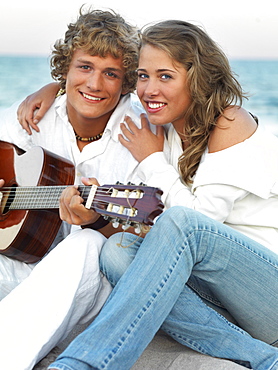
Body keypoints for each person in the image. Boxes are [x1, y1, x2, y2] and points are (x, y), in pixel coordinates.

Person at [42, 20, 277, 370]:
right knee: (118, 251)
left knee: (184, 223)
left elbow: (199, 222)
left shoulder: (229, 122)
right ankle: (262, 358)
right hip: (222, 303)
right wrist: (52, 91)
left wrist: (151, 160)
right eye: (142, 76)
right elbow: (97, 97)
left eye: (165, 76)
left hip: (266, 295)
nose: (149, 89)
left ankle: (84, 364)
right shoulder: (163, 130)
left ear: (197, 77)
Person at [0, 7, 157, 370]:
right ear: (65, 69)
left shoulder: (142, 132)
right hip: (23, 275)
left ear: (127, 82)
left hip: (86, 293)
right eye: (84, 67)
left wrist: (95, 223)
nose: (94, 84)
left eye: (111, 74)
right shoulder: (31, 117)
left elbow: (144, 232)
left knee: (85, 244)